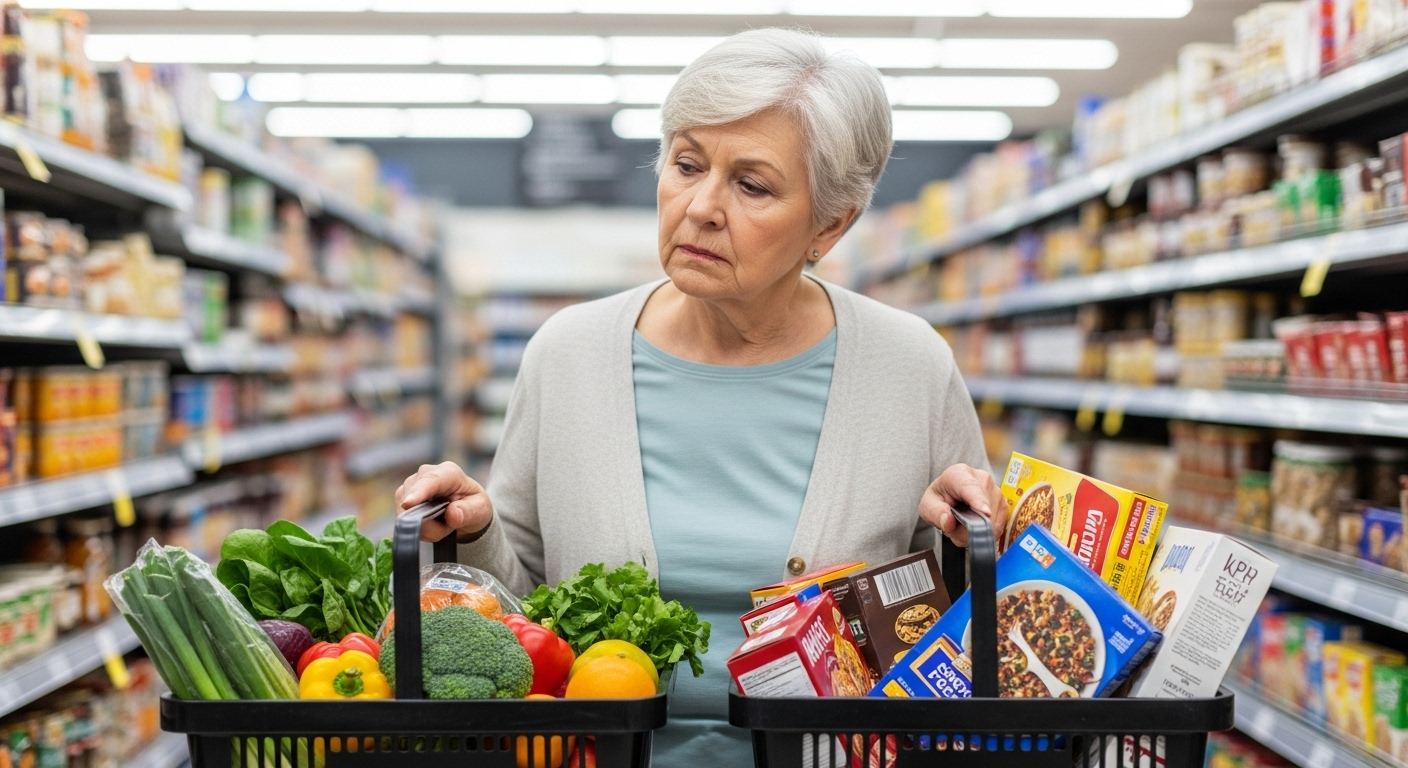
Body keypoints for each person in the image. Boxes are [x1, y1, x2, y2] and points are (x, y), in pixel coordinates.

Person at [396, 27, 1009, 767]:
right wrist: (472, 529)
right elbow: (521, 610)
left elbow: (966, 639)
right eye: (686, 164)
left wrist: (968, 541)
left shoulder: (911, 366)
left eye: (751, 186)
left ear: (830, 225)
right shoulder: (568, 355)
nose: (701, 206)